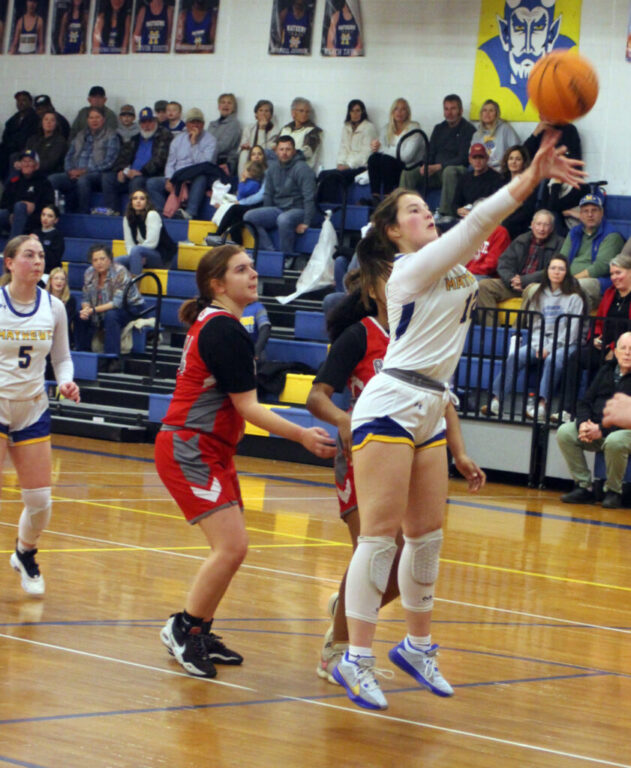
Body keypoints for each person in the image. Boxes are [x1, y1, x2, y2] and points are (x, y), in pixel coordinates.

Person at [330, 128, 585, 711]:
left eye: (426, 207)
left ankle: (416, 646)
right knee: (380, 537)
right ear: (394, 231)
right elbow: (479, 226)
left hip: (432, 403)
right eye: (414, 210)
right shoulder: (408, 270)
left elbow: (485, 240)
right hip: (391, 402)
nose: (427, 214)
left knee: (426, 539)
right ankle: (356, 657)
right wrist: (529, 177)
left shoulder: (453, 266)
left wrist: (461, 445)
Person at [154, 244, 335, 678]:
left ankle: (198, 626)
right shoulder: (224, 330)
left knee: (234, 549)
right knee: (231, 547)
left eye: (253, 266)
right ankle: (184, 630)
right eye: (241, 269)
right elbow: (249, 407)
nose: (253, 273)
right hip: (190, 446)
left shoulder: (221, 324)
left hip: (209, 447)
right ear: (218, 284)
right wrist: (301, 435)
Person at [1, 235, 80, 596]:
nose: (37, 261)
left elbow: (61, 358)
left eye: (41, 256)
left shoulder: (54, 307)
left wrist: (66, 382)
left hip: (33, 406)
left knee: (40, 502)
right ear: (9, 262)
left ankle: (25, 552)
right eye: (29, 255)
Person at [483, 256, 586, 420]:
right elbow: (535, 326)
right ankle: (496, 401)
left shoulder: (575, 297)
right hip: (541, 341)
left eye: (561, 269)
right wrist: (539, 346)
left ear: (567, 273)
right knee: (516, 356)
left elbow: (572, 332)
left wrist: (549, 347)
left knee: (553, 360)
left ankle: (542, 405)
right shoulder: (539, 294)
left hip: (567, 343)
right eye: (553, 268)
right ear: (547, 271)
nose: (556, 272)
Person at [557, 332, 631, 510]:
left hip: (624, 432)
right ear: (615, 351)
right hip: (597, 428)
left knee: (615, 440)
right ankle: (584, 487)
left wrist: (601, 430)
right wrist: (583, 424)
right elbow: (586, 401)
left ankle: (614, 491)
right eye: (624, 348)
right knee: (565, 432)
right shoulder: (606, 370)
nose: (628, 353)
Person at [560, 253, 631, 422]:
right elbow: (599, 320)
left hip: (625, 350)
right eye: (612, 273)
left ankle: (600, 416)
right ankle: (567, 410)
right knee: (575, 358)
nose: (614, 277)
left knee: (607, 365)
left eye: (618, 273)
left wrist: (615, 348)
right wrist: (596, 337)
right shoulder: (609, 293)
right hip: (603, 346)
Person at [400, 94, 475, 219]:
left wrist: (439, 166)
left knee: (449, 171)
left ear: (461, 111)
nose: (449, 113)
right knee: (407, 172)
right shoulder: (439, 128)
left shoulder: (468, 129)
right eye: (446, 109)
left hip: (457, 171)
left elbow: (463, 158)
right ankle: (403, 211)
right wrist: (426, 165)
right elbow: (430, 151)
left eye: (453, 109)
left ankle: (445, 214)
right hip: (434, 171)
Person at [75, 244, 145, 371]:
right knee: (80, 315)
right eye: (95, 260)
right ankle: (83, 354)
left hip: (131, 307)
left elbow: (117, 303)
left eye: (102, 259)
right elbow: (85, 297)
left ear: (110, 259)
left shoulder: (120, 271)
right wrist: (86, 310)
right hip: (100, 307)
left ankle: (112, 359)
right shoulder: (89, 272)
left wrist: (93, 310)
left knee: (111, 316)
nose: (99, 263)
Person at [476, 209, 563, 311]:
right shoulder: (521, 239)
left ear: (552, 228)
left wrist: (524, 280)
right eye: (538, 224)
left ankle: (516, 327)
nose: (541, 229)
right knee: (483, 286)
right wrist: (511, 279)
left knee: (532, 291)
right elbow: (504, 262)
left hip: (538, 286)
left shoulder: (560, 244)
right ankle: (490, 326)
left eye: (546, 225)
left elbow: (552, 271)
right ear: (532, 225)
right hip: (514, 285)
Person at [243, 135, 315, 254]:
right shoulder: (272, 169)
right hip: (278, 209)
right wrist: (267, 214)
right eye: (281, 149)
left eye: (288, 149)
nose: (284, 153)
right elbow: (268, 194)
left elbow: (309, 197)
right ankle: (271, 253)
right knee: (249, 217)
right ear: (276, 151)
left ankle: (287, 257)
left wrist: (307, 222)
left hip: (298, 209)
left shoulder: (302, 169)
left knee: (283, 219)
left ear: (294, 151)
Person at [146, 107, 218, 220]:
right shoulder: (178, 140)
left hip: (198, 175)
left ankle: (190, 213)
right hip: (178, 176)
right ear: (187, 124)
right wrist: (169, 178)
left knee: (201, 177)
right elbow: (170, 163)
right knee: (152, 183)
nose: (195, 125)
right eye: (192, 122)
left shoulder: (211, 140)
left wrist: (194, 145)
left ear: (203, 124)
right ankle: (161, 214)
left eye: (198, 122)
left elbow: (205, 165)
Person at [558, 192, 624, 310]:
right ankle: (521, 328)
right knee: (533, 290)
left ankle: (574, 327)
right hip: (569, 279)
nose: (590, 214)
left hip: (599, 282)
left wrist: (572, 279)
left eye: (594, 210)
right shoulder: (574, 232)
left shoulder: (612, 235)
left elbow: (601, 267)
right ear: (580, 214)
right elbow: (562, 259)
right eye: (585, 211)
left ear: (602, 213)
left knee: (579, 286)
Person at [102, 106, 173, 215]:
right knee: (108, 178)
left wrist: (141, 172)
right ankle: (112, 213)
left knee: (137, 181)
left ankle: (135, 215)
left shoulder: (164, 136)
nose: (147, 126)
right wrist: (122, 170)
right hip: (131, 174)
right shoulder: (135, 138)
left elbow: (160, 160)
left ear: (155, 122)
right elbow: (122, 157)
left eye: (150, 122)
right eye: (143, 122)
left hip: (149, 175)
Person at [49, 107, 120, 214]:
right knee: (52, 179)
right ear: (87, 120)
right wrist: (69, 171)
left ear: (103, 119)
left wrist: (85, 171)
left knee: (83, 180)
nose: (94, 120)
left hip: (97, 174)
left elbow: (110, 161)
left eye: (97, 117)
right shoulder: (80, 135)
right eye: (91, 118)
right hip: (74, 172)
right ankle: (51, 213)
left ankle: (82, 213)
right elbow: (69, 156)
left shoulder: (111, 135)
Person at [319, 99, 377, 203]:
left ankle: (331, 207)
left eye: (358, 110)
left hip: (360, 167)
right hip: (345, 166)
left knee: (334, 177)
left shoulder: (369, 128)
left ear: (363, 112)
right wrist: (340, 163)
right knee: (323, 174)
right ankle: (322, 208)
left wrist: (349, 165)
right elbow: (343, 147)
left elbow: (366, 153)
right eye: (352, 111)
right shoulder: (346, 127)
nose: (355, 114)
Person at [367, 98, 421, 202]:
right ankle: (375, 197)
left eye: (403, 109)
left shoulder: (414, 128)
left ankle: (389, 197)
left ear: (408, 112)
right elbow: (378, 150)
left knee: (386, 159)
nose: (399, 112)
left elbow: (406, 156)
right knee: (373, 158)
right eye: (396, 109)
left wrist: (383, 149)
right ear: (392, 112)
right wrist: (374, 147)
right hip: (387, 166)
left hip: (406, 167)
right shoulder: (386, 128)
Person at [209, 152, 266, 244]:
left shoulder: (254, 184)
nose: (243, 172)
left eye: (245, 171)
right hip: (245, 205)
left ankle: (219, 233)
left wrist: (242, 182)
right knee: (235, 220)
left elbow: (242, 192)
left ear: (252, 173)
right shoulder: (250, 182)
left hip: (252, 206)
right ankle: (237, 241)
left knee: (233, 209)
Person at [117, 189, 177, 274]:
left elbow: (152, 243)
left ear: (147, 202)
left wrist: (139, 253)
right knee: (115, 262)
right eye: (135, 198)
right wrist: (136, 257)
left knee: (136, 250)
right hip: (140, 254)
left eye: (142, 199)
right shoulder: (127, 218)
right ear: (131, 202)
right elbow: (129, 244)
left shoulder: (152, 215)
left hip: (161, 256)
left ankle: (134, 285)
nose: (138, 201)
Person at [0, 150, 54, 239]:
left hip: (35, 219)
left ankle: (13, 247)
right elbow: (4, 203)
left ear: (36, 165)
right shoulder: (14, 182)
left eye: (30, 161)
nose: (26, 164)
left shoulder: (44, 183)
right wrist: (13, 212)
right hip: (12, 218)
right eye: (24, 161)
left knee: (21, 206)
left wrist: (34, 207)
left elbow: (49, 206)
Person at [451, 143, 504, 220]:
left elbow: (497, 206)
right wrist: (458, 210)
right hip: (464, 219)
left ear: (487, 158)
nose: (478, 161)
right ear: (469, 160)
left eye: (481, 157)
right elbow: (455, 204)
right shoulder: (464, 178)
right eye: (474, 158)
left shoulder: (496, 178)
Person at [470, 99, 520, 172]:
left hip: (501, 168)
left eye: (491, 111)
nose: (487, 113)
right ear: (481, 114)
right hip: (482, 168)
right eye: (484, 110)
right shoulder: (476, 135)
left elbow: (516, 150)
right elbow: (472, 155)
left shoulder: (505, 128)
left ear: (497, 114)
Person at [499, 144, 536, 240]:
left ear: (524, 163)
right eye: (511, 158)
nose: (513, 162)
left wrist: (504, 221)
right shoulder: (501, 181)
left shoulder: (529, 184)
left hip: (516, 225)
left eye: (518, 159)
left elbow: (527, 212)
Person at [0, 91, 39, 178]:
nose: (21, 103)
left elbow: (29, 137)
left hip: (24, 149)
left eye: (24, 100)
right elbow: (5, 137)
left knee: (13, 157)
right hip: (9, 148)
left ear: (30, 102)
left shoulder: (35, 118)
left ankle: (12, 185)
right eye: (18, 101)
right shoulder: (13, 119)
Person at [278, 97, 322, 170]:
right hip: (282, 165)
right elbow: (274, 146)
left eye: (307, 112)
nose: (305, 114)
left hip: (300, 168)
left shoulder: (313, 130)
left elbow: (307, 152)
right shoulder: (285, 129)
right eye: (301, 111)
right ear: (293, 112)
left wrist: (288, 155)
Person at [237, 99, 278, 175]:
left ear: (271, 115)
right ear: (256, 114)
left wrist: (262, 129)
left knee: (258, 154)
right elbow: (240, 147)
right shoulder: (248, 128)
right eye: (260, 110)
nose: (263, 113)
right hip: (250, 156)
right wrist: (244, 147)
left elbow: (264, 150)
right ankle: (242, 182)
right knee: (244, 153)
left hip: (265, 159)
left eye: (266, 111)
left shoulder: (275, 131)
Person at [25, 110, 68, 176]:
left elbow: (51, 162)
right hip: (30, 169)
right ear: (41, 122)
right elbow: (27, 153)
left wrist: (32, 166)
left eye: (52, 120)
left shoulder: (60, 141)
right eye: (46, 119)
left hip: (49, 172)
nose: (48, 122)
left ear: (56, 124)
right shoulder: (33, 139)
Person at [207, 93, 241, 175]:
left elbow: (224, 146)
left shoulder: (234, 124)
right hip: (209, 158)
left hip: (224, 161)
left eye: (229, 103)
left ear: (233, 108)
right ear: (219, 106)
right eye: (223, 102)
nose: (226, 105)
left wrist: (205, 151)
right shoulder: (212, 124)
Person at [30, 204, 65, 275]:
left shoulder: (57, 236)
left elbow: (54, 259)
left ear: (56, 220)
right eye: (43, 215)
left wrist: (38, 243)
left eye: (50, 216)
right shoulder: (35, 233)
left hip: (49, 273)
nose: (45, 218)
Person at [46, 267, 76, 345]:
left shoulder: (70, 300)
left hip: (62, 334)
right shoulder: (43, 297)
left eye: (62, 279)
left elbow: (66, 320)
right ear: (50, 280)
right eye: (56, 278)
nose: (59, 281)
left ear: (65, 282)